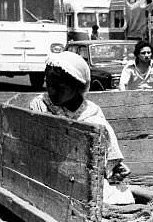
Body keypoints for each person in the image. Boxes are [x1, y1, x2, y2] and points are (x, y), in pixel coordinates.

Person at [29, 52, 129, 183]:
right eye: (49, 84)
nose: (52, 91)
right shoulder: (40, 106)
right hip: (50, 171)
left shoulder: (92, 113)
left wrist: (114, 168)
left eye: (60, 87)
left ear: (77, 86)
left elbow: (106, 149)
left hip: (84, 175)